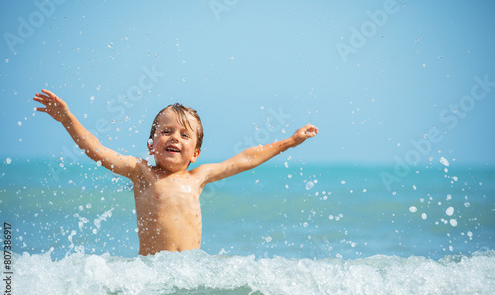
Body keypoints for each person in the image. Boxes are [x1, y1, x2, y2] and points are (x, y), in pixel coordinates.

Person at [33, 89, 319, 255]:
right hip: (153, 274)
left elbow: (245, 159)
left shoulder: (198, 177)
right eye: (166, 131)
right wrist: (67, 119)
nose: (174, 138)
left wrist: (290, 142)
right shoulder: (141, 172)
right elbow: (97, 149)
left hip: (188, 275)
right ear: (151, 144)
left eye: (184, 135)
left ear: (195, 153)